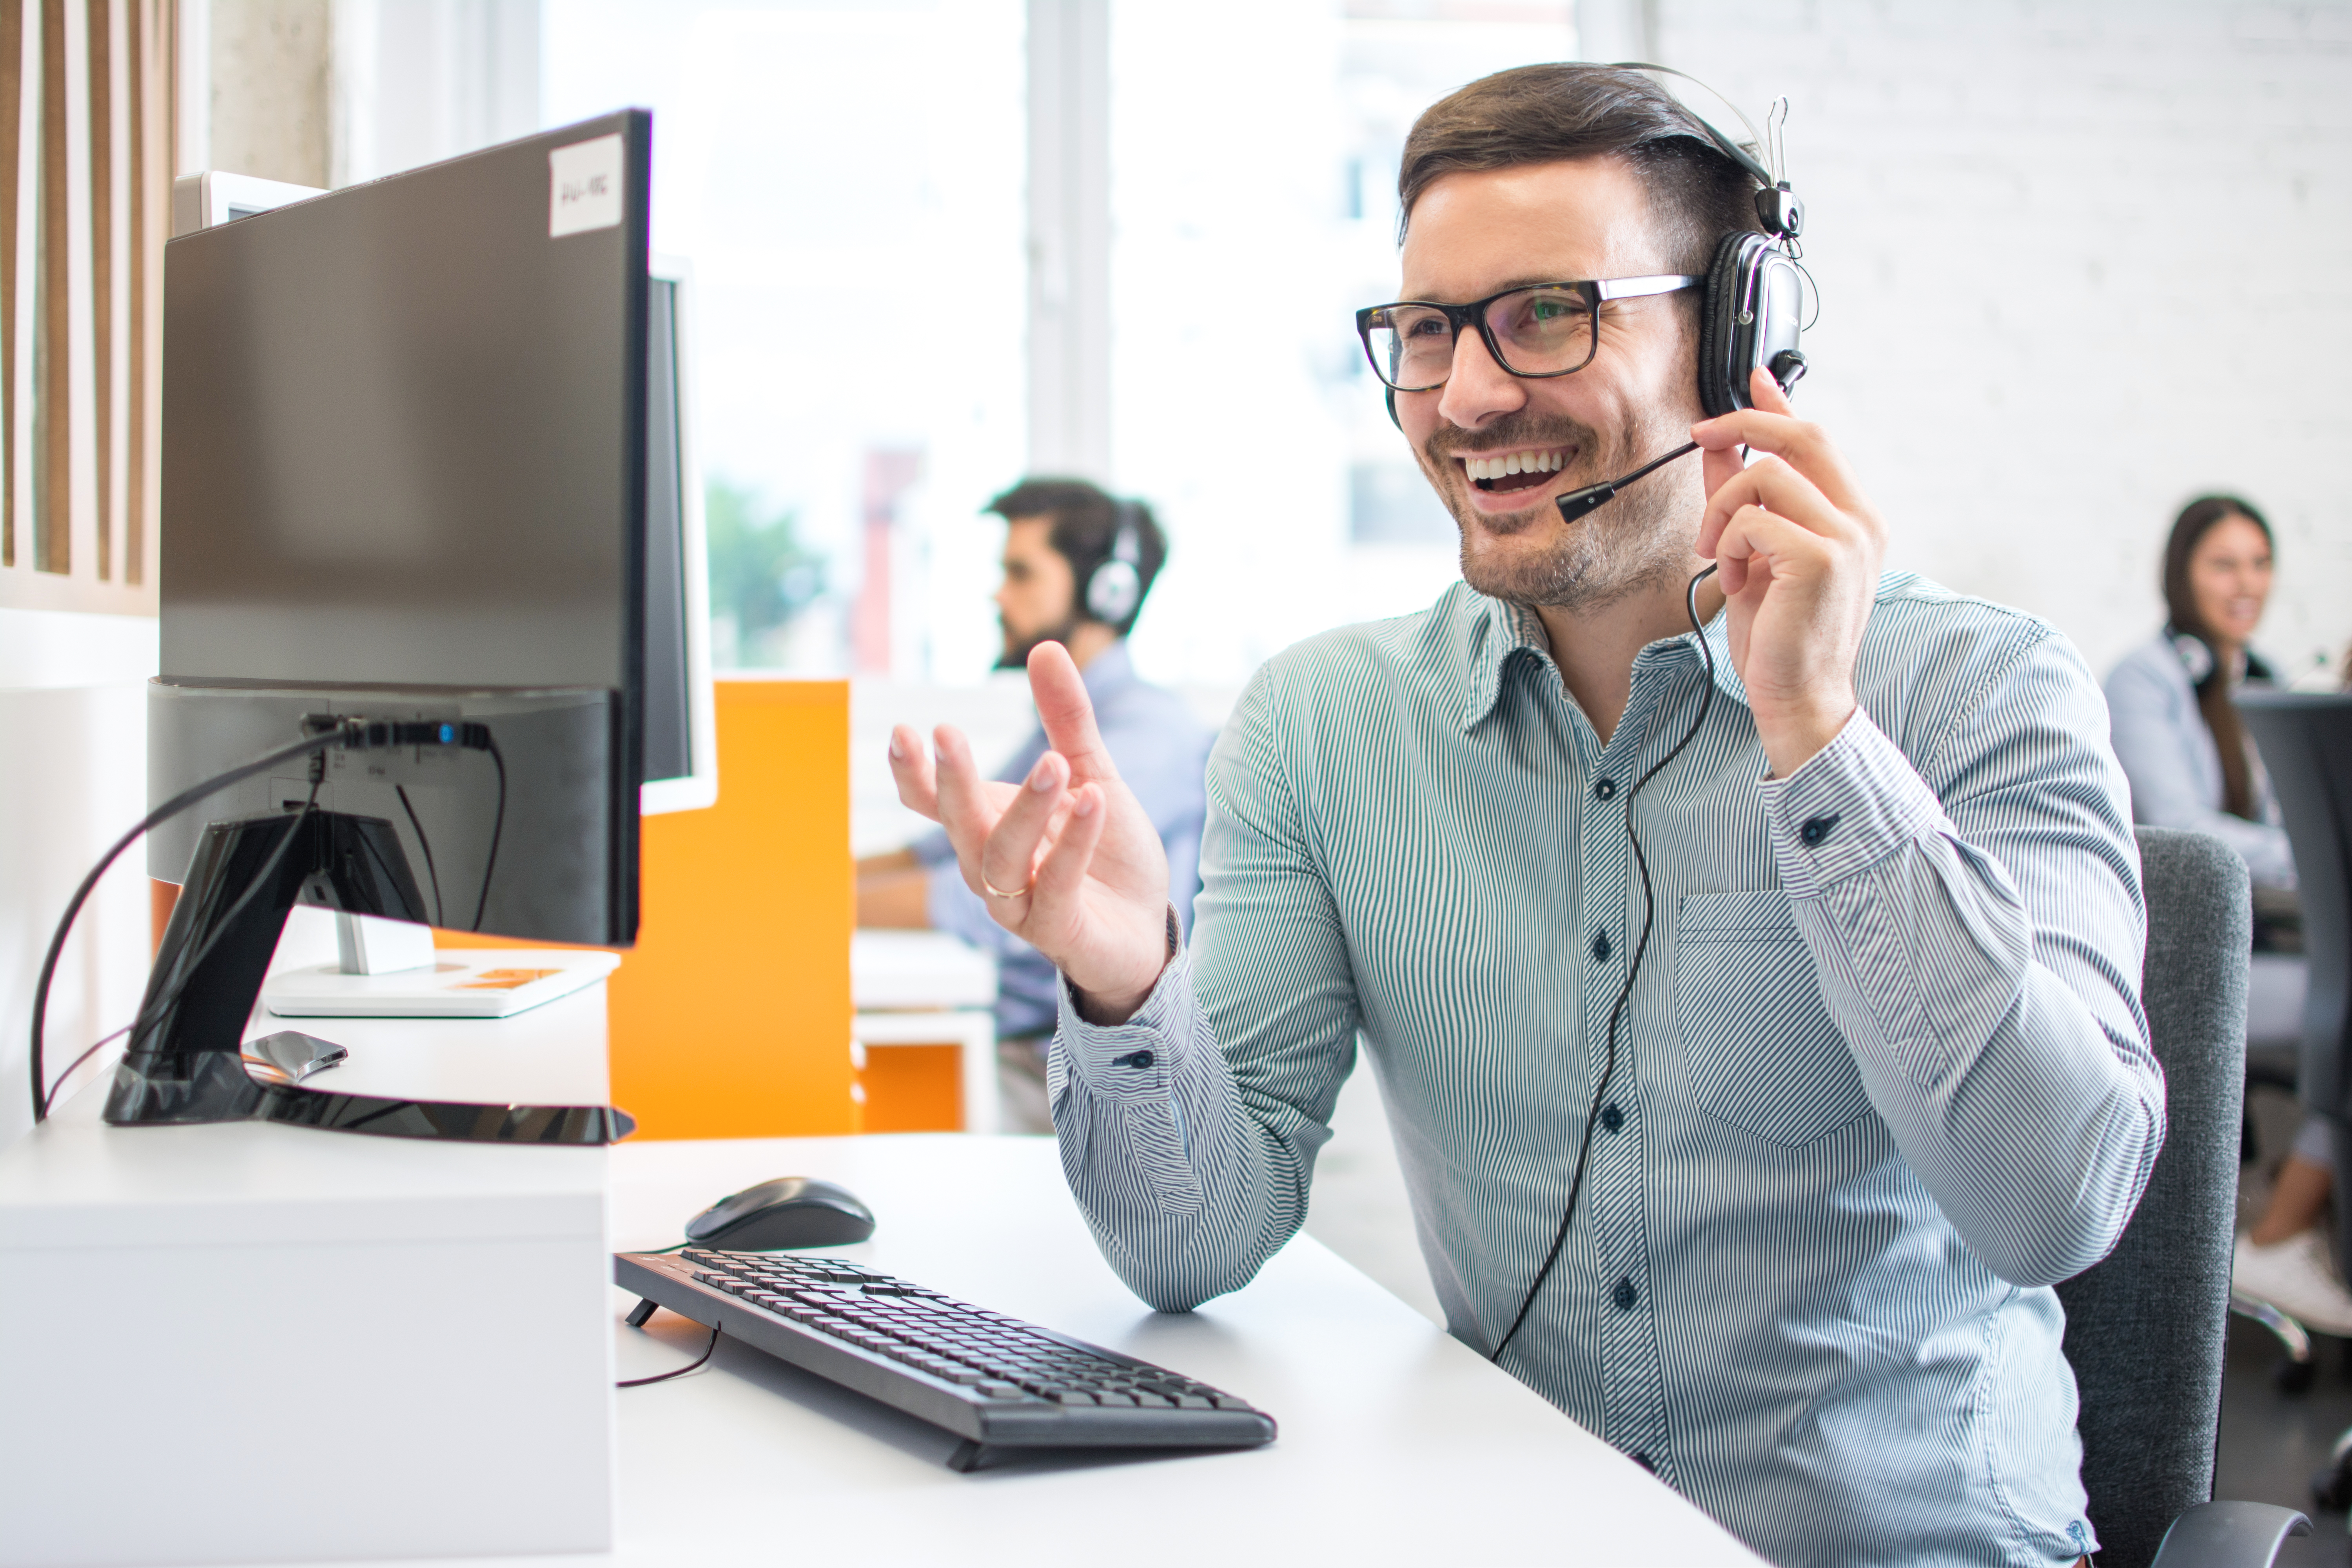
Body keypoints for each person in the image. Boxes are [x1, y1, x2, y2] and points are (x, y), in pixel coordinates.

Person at [890, 66, 2154, 1567]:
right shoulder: (1323, 729)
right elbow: (1191, 1245)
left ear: (1734, 339)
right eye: (1427, 332)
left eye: (1547, 312)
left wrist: (1821, 743)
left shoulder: (1983, 689)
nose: (1471, 396)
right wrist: (1121, 981)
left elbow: (2058, 1208)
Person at [856, 479, 1210, 1134]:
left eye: (1021, 573)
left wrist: (803, 909)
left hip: (1069, 1070)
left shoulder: (1142, 738)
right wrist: (807, 883)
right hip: (1015, 1041)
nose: (999, 595)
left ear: (1108, 592)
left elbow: (989, 899)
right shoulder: (1061, 727)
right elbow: (942, 849)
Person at [2104, 498, 2352, 1332]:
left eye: (2258, 562)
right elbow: (2187, 833)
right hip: (2179, 970)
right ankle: (2282, 1231)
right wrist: (2314, 848)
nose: (2245, 583)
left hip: (2264, 948)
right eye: (2223, 563)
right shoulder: (2148, 679)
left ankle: (2298, 1209)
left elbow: (2283, 830)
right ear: (2182, 573)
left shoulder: (2266, 680)